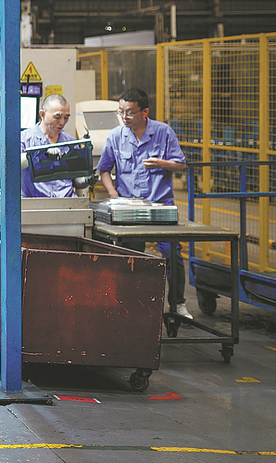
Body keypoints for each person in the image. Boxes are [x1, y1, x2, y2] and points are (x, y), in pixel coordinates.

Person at [97, 88, 190, 319]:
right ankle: (130, 305)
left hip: (161, 207)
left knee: (172, 255)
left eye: (130, 112)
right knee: (131, 256)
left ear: (144, 112)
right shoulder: (116, 136)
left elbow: (181, 165)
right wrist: (113, 193)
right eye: (121, 111)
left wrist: (162, 163)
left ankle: (178, 304)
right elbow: (104, 169)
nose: (124, 117)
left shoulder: (163, 132)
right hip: (129, 210)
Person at [21, 94, 77, 198]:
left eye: (66, 117)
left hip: (66, 201)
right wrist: (42, 154)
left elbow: (75, 178)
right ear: (42, 114)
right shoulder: (24, 139)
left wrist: (85, 180)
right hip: (35, 201)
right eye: (57, 117)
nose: (62, 122)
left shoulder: (70, 142)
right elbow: (15, 164)